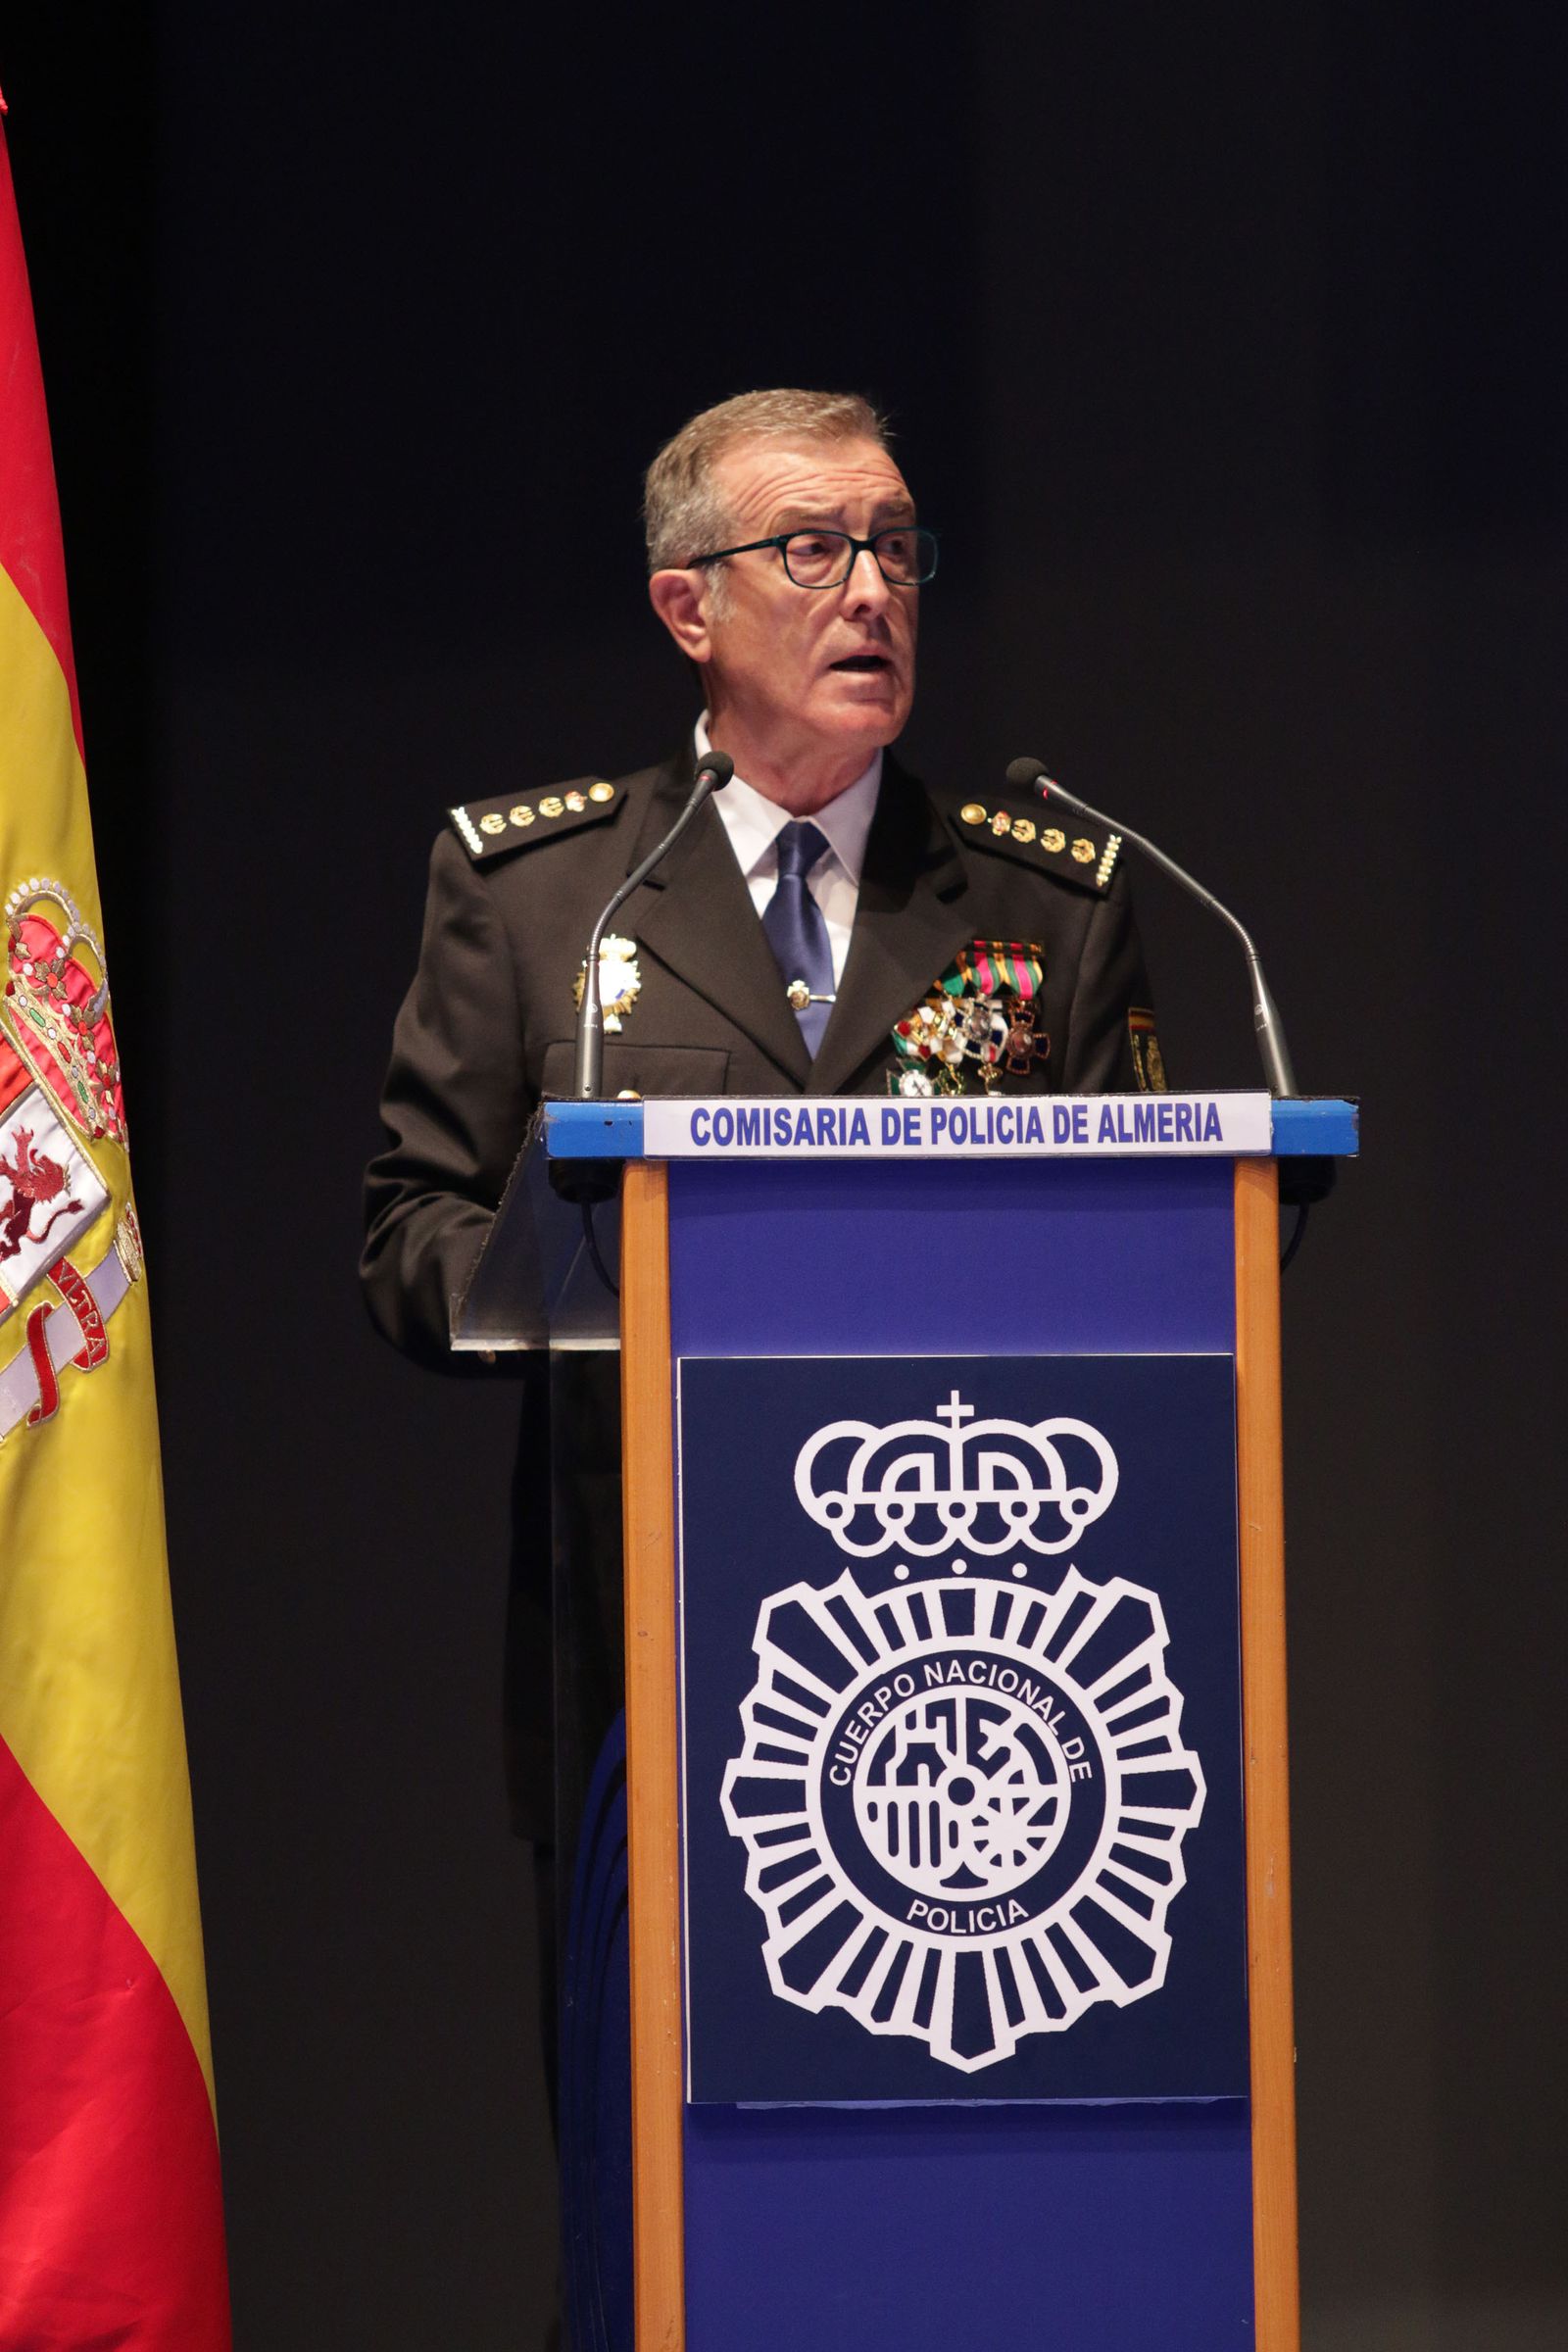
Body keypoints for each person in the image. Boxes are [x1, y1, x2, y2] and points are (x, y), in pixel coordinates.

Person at [360, 388, 1164, 2342]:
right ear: (684, 608)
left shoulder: (1047, 902)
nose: (869, 587)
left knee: (963, 2231)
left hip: (984, 1672)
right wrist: (614, 1282)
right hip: (641, 1659)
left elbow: (1183, 1242)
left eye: (893, 545)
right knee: (669, 2232)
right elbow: (410, 1244)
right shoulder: (549, 894)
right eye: (810, 548)